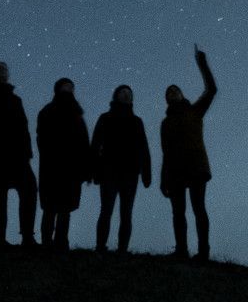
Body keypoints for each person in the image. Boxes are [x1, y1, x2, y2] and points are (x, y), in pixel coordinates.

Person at [160, 46, 218, 260]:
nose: (172, 93)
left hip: (195, 167)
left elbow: (211, 90)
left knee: (198, 208)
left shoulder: (194, 111)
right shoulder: (165, 123)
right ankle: (181, 250)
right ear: (167, 99)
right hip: (175, 171)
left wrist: (202, 64)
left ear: (182, 95)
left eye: (175, 90)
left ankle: (203, 252)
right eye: (169, 92)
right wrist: (162, 179)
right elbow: (165, 152)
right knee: (178, 213)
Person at [0, 60, 39, 250]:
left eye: (4, 70)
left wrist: (27, 152)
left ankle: (27, 237)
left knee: (29, 190)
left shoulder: (15, 100)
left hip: (18, 156)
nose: (1, 72)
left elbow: (23, 128)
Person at [89, 84, 151, 252]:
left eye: (129, 93)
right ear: (116, 96)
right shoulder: (105, 118)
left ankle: (122, 249)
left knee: (126, 213)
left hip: (130, 174)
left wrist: (146, 173)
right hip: (109, 171)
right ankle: (100, 246)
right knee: (106, 210)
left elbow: (143, 148)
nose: (126, 95)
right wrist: (93, 170)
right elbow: (95, 144)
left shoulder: (137, 122)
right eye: (122, 92)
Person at [36, 78, 91, 251]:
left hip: (71, 169)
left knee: (65, 208)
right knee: (51, 208)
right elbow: (41, 138)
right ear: (58, 89)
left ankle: (61, 243)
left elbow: (84, 143)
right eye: (65, 87)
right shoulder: (47, 111)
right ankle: (46, 243)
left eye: (71, 87)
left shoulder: (77, 115)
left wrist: (86, 168)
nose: (69, 90)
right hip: (52, 167)